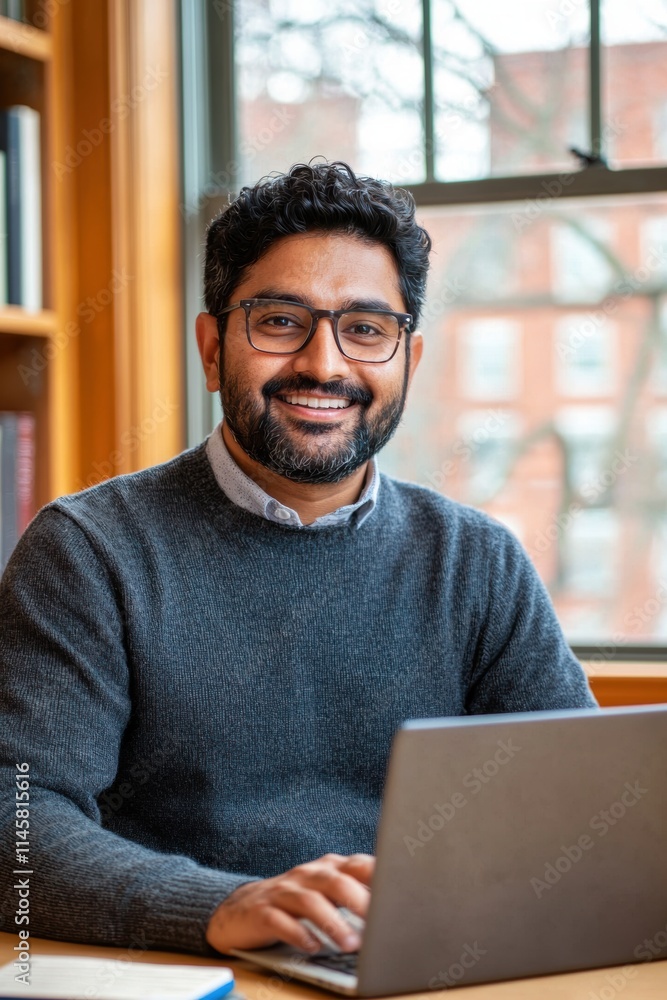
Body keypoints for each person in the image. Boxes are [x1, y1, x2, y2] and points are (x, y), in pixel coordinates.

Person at [0, 161, 596, 959]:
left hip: (416, 969)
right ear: (212, 349)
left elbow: (581, 811)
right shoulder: (88, 550)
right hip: (189, 973)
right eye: (280, 321)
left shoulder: (476, 561)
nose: (325, 365)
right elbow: (17, 824)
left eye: (366, 329)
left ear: (408, 360)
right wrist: (221, 906)